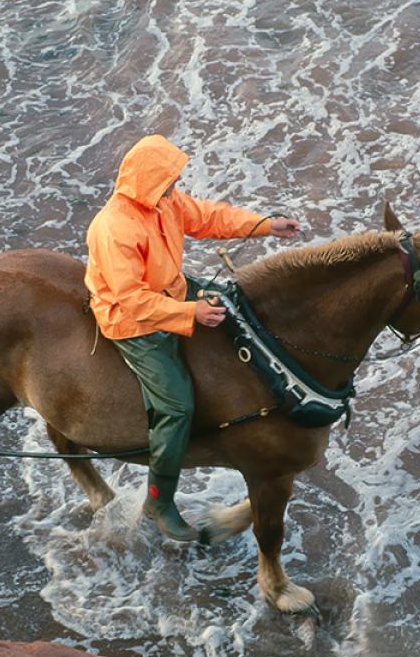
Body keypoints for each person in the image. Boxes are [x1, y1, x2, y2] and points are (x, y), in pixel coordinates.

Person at [84, 134, 300, 541]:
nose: (174, 186)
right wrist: (191, 312)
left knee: (238, 303)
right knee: (177, 406)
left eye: (173, 179)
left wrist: (265, 226)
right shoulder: (113, 228)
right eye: (167, 179)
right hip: (134, 323)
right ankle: (159, 501)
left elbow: (208, 217)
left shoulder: (163, 202)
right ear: (145, 180)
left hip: (172, 292)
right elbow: (132, 301)